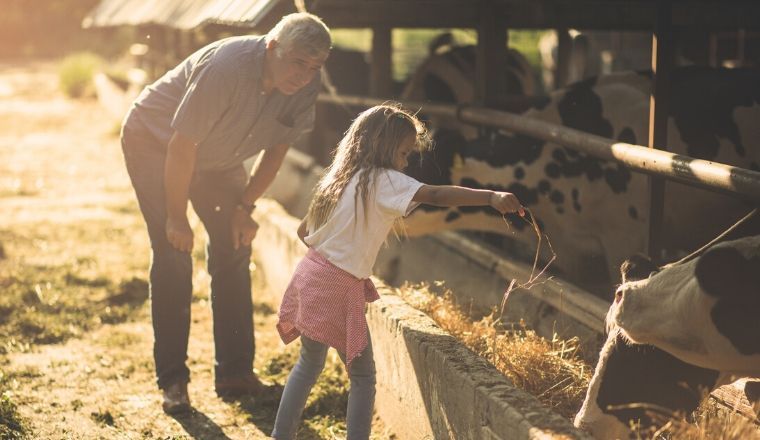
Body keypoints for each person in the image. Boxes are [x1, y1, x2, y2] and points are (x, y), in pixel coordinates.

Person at [119, 13, 331, 414]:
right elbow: (182, 147)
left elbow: (277, 150)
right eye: (298, 63)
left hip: (220, 155)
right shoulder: (227, 68)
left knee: (235, 246)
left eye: (314, 67)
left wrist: (244, 208)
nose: (304, 75)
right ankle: (174, 382)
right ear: (273, 48)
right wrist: (177, 217)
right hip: (157, 142)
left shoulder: (305, 82)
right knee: (174, 252)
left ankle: (234, 373)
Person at [271, 103, 524, 439]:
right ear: (384, 146)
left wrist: (339, 248)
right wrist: (490, 197)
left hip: (311, 273)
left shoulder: (340, 177)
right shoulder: (385, 181)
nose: (406, 162)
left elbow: (304, 232)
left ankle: (280, 434)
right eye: (404, 153)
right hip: (337, 283)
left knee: (307, 364)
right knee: (363, 375)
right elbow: (435, 194)